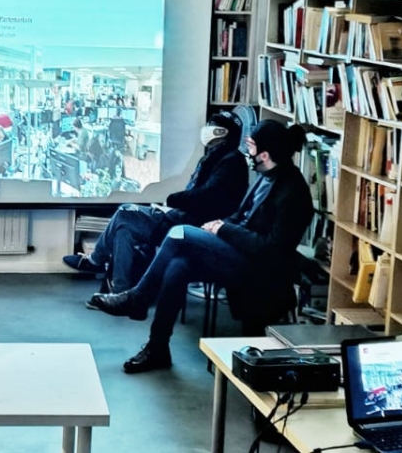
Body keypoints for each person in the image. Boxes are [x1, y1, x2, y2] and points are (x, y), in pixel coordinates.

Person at [90, 120, 313, 373]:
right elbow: (240, 217)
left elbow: (271, 249)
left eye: (251, 147)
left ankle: (137, 298)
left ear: (264, 154)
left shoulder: (293, 193)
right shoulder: (266, 177)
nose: (247, 152)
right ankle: (157, 347)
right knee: (178, 266)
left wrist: (223, 229)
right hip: (237, 251)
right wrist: (220, 226)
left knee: (179, 233)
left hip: (257, 267)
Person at [62, 112, 248, 294]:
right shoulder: (216, 157)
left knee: (125, 212)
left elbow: (207, 198)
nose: (206, 129)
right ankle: (120, 291)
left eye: (212, 126)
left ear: (222, 132)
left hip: (189, 225)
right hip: (181, 217)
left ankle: (95, 261)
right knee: (123, 230)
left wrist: (174, 199)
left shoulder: (231, 162)